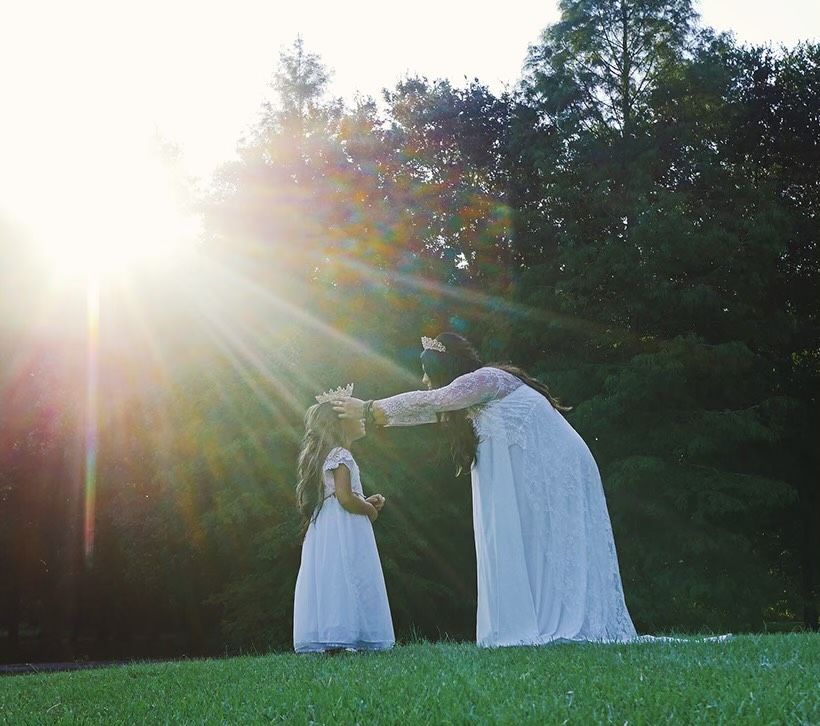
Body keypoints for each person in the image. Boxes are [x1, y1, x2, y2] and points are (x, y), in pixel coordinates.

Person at [333, 333, 637, 648]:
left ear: (446, 368)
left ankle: (564, 618)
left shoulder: (486, 379)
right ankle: (536, 619)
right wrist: (373, 413)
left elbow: (435, 400)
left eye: (428, 372)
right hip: (540, 463)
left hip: (556, 461)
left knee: (551, 539)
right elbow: (423, 410)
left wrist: (368, 408)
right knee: (526, 538)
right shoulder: (470, 395)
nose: (424, 379)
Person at [293, 384, 395, 653]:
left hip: (328, 525)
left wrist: (364, 499)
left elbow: (341, 494)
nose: (362, 420)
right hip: (343, 525)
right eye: (355, 415)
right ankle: (346, 636)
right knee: (348, 573)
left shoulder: (329, 455)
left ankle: (336, 634)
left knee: (334, 576)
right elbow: (345, 498)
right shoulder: (341, 454)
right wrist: (370, 510)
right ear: (341, 423)